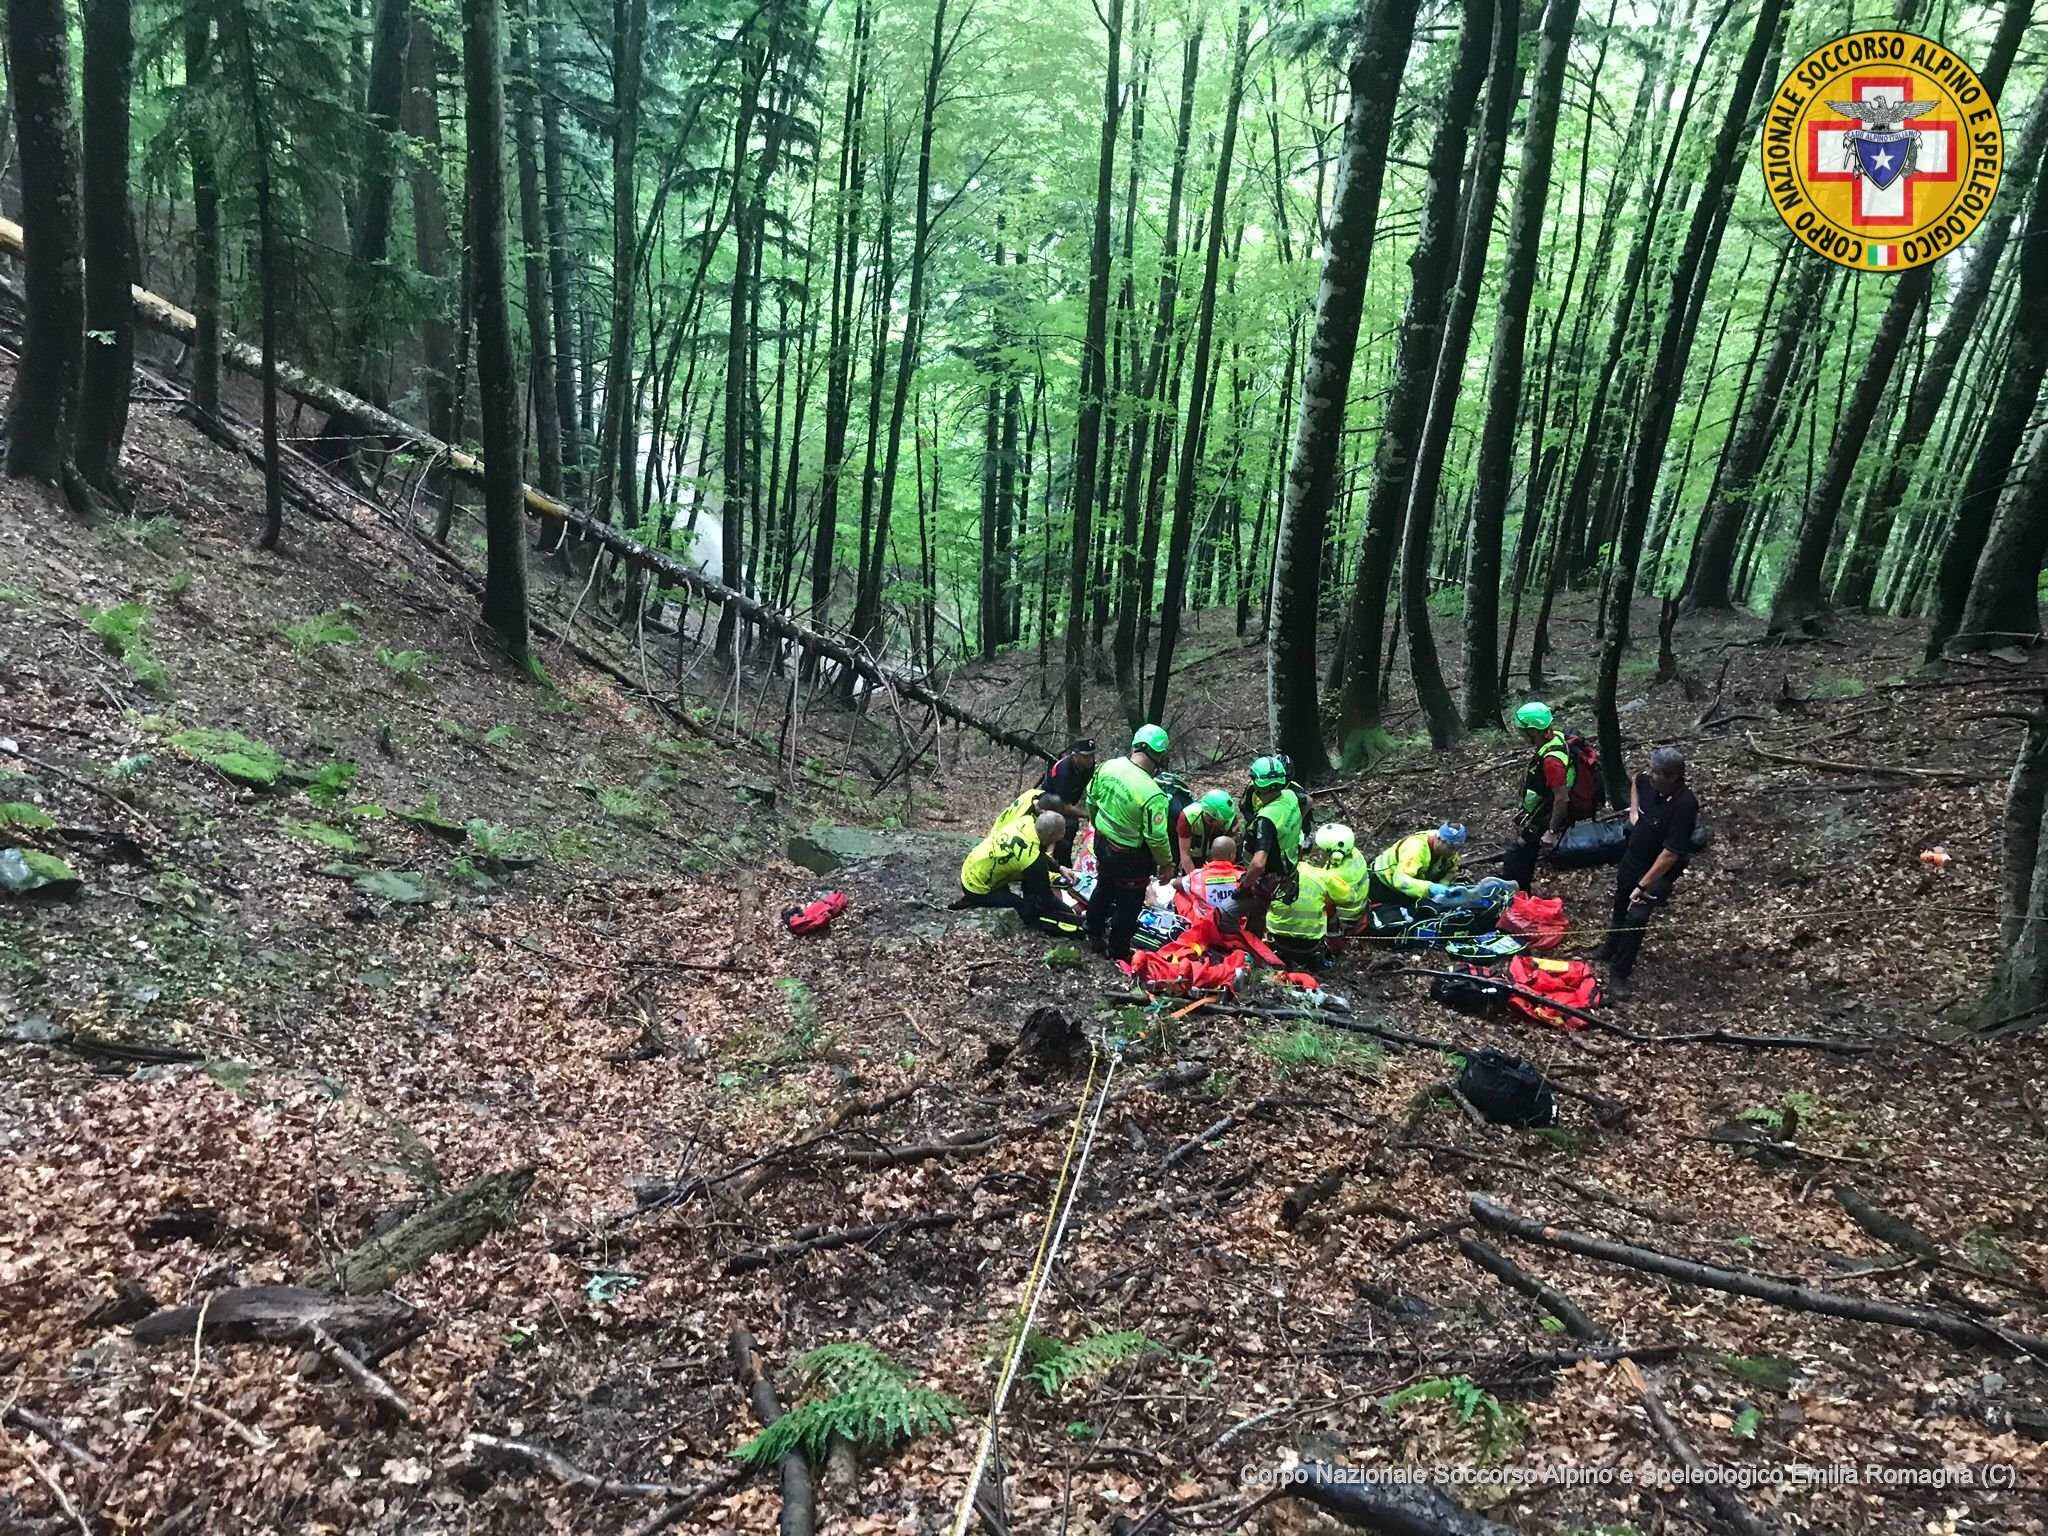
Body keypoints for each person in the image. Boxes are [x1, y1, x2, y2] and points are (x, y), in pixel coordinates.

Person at [1597, 746, 1699, 994]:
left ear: (1673, 776)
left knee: (1636, 917)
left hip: (1656, 869)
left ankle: (1619, 973)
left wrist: (1643, 885)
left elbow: (1671, 853)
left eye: (1659, 773)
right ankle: (1609, 947)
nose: (1652, 776)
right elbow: (1637, 780)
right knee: (1621, 902)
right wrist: (1634, 811)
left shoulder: (1685, 804)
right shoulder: (1647, 782)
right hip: (1632, 857)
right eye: (1653, 771)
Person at [1084, 725, 1174, 960]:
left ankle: (1092, 930)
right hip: (1130, 857)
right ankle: (1118, 950)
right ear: (1159, 755)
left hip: (1103, 842)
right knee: (1129, 902)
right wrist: (1166, 864)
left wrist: (1098, 825)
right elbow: (1156, 836)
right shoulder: (1153, 794)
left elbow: (1091, 801)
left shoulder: (1107, 767)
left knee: (1103, 885)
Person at [953, 810, 1079, 936]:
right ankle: (974, 899)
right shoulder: (1032, 861)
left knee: (1025, 876)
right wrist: (1071, 912)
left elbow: (1035, 852)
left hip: (972, 866)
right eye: (1060, 834)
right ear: (1051, 835)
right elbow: (1046, 897)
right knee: (1023, 907)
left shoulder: (1026, 821)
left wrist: (1059, 868)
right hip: (976, 887)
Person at [1502, 701, 1580, 891]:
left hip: (1544, 815)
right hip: (1539, 809)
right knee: (1521, 854)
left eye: (1523, 731)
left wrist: (1551, 831)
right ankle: (1520, 890)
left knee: (1518, 855)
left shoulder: (1552, 760)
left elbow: (1561, 797)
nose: (1520, 735)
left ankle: (1518, 895)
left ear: (1533, 731)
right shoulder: (1556, 739)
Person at [1237, 756, 1306, 934]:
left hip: (1270, 875)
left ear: (1259, 786)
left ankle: (1254, 947)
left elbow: (1259, 864)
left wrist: (1245, 885)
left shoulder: (1266, 819)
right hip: (1289, 865)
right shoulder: (1290, 796)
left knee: (1255, 913)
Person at [1263, 857, 1352, 970]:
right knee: (1329, 902)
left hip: (1277, 941)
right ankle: (1333, 940)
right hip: (1310, 945)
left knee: (1264, 901)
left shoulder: (1274, 874)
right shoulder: (1321, 875)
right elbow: (1348, 898)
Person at [1367, 823, 1469, 907]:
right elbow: (1400, 880)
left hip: (1416, 884)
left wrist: (1444, 887)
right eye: (1451, 848)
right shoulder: (1415, 848)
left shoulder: (1449, 851)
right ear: (1439, 839)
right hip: (1383, 884)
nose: (1454, 853)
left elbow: (1450, 871)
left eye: (1458, 848)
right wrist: (1430, 888)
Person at [1038, 738, 1097, 864]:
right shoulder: (1064, 771)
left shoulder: (1089, 766)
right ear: (1075, 755)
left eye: (1092, 755)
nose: (1091, 760)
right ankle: (1058, 865)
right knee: (1065, 830)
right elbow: (1063, 806)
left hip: (1068, 801)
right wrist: (1088, 814)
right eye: (1086, 756)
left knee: (1070, 829)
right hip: (1050, 803)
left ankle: (1062, 862)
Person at [1310, 823, 1370, 929]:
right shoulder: (1355, 854)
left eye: (1324, 850)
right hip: (1360, 905)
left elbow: (1326, 900)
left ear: (1336, 854)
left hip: (1347, 915)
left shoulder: (1334, 876)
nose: (1322, 852)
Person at [1175, 833, 1244, 921]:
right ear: (1232, 855)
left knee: (1181, 893)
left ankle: (1189, 923)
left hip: (1206, 925)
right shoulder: (1242, 876)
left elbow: (1175, 884)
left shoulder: (1198, 876)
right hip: (1234, 926)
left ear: (1212, 855)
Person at [1175, 789, 1242, 874]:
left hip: (1216, 859)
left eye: (1222, 822)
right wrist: (1195, 880)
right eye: (1212, 820)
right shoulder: (1188, 817)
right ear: (1206, 813)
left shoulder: (1229, 818)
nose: (1217, 825)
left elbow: (1230, 855)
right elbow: (1185, 855)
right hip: (1193, 856)